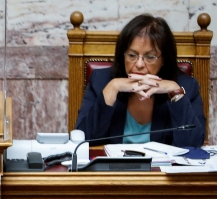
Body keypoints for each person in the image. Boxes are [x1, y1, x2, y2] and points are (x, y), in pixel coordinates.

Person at [74, 14, 205, 148]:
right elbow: (82, 140)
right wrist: (113, 88)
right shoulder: (101, 81)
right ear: (123, 55)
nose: (139, 64)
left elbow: (192, 145)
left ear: (164, 59)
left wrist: (173, 91)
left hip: (161, 168)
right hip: (113, 168)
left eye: (150, 57)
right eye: (132, 55)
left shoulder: (186, 86)